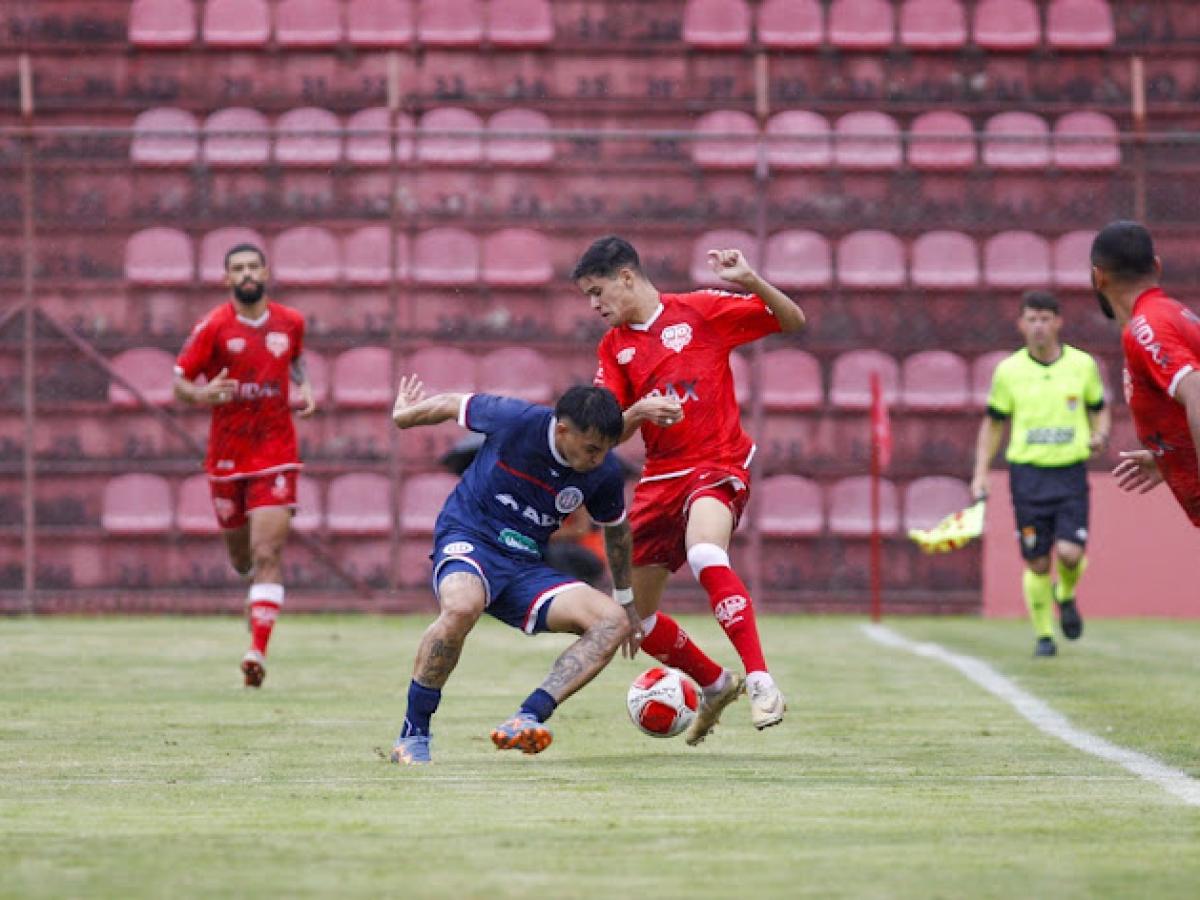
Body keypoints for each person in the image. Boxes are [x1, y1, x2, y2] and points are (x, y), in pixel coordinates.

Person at [573, 235, 806, 743]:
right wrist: (637, 412)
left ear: (627, 278)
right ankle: (717, 682)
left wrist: (751, 281)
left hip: (716, 462)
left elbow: (793, 321)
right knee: (631, 614)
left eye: (597, 292)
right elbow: (607, 431)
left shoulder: (701, 311)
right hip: (661, 476)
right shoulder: (614, 347)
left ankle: (762, 680)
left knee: (705, 552)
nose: (594, 305)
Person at [388, 380, 641, 765]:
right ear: (562, 430)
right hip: (471, 538)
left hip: (525, 566)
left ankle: (526, 718)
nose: (597, 459)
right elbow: (452, 403)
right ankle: (413, 733)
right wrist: (405, 416)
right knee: (461, 607)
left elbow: (617, 531)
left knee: (612, 621)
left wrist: (626, 599)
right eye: (591, 448)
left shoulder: (602, 470)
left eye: (605, 450)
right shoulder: (515, 419)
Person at [173, 243, 317, 687]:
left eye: (254, 266)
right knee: (241, 560)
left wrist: (304, 385)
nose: (247, 274)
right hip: (227, 455)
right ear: (227, 278)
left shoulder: (291, 321)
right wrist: (201, 395)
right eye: (238, 268)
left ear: (266, 271)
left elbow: (293, 356)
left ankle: (257, 650)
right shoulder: (213, 327)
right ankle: (257, 607)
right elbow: (181, 381)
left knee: (267, 552)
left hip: (276, 452)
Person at [970, 291, 1110, 657]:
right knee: (1036, 560)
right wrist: (981, 471)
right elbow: (994, 424)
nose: (1038, 327)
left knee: (1069, 553)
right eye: (1031, 319)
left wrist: (1100, 434)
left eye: (1045, 319)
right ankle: (1044, 636)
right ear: (1021, 325)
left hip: (1069, 472)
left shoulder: (1082, 365)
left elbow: (1099, 408)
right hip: (1028, 475)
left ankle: (1064, 593)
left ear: (1058, 322)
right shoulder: (1009, 371)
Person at [1091, 220, 1200, 525]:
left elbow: (1197, 392)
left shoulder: (1147, 328)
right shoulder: (1171, 315)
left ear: (1098, 277)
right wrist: (1173, 458)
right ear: (1157, 266)